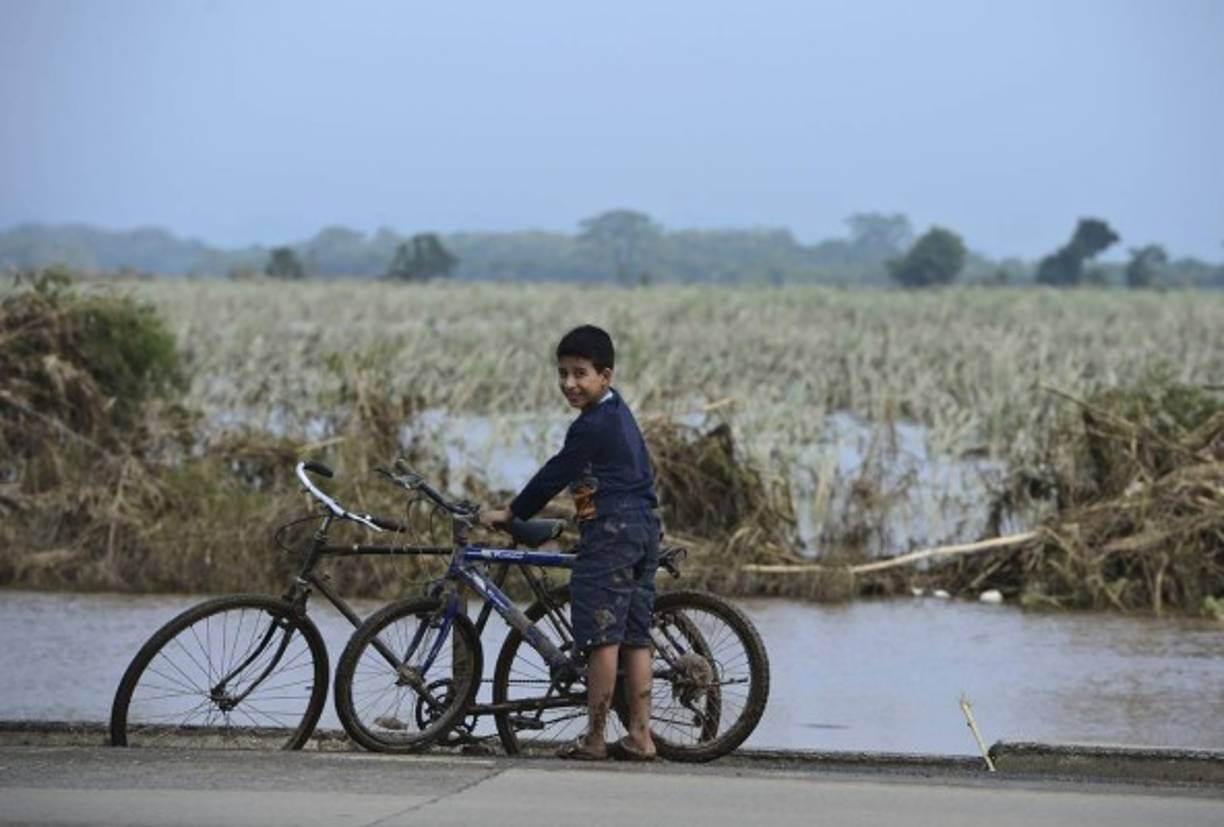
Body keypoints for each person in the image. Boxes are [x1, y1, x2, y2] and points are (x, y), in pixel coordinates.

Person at [480, 324, 661, 761]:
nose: (569, 384)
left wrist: (513, 512)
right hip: (644, 527)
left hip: (612, 532)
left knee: (601, 637)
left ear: (606, 375)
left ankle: (595, 738)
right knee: (636, 637)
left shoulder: (592, 424)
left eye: (580, 374)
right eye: (562, 373)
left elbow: (557, 471)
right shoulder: (619, 412)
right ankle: (641, 737)